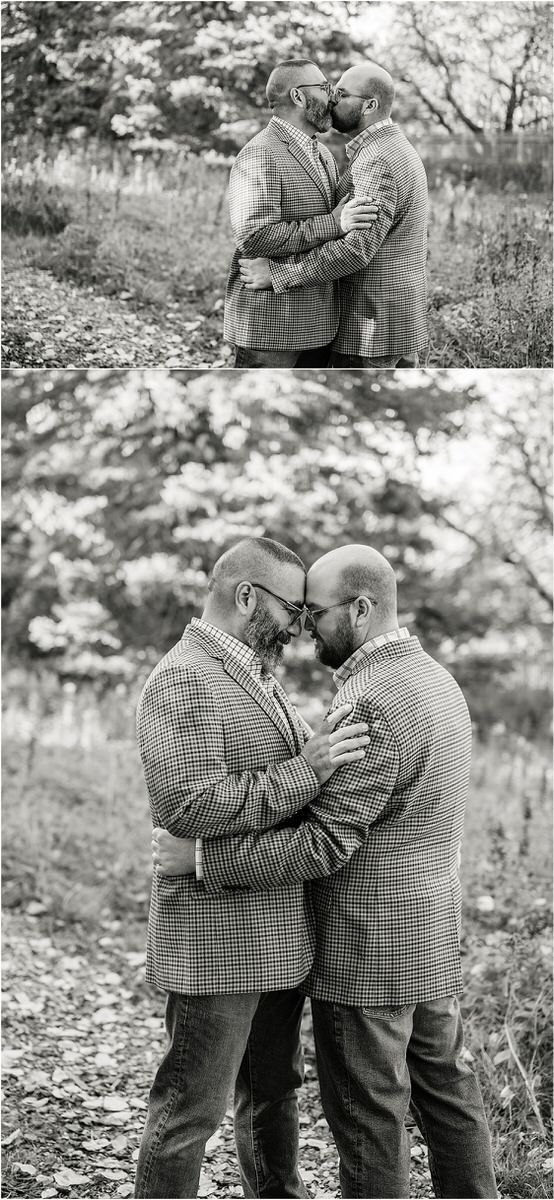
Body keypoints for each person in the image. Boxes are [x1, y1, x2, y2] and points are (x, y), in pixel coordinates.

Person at [155, 544, 498, 1200]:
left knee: (369, 1118)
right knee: (451, 1099)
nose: (304, 629)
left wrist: (202, 858)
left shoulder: (368, 702)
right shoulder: (434, 679)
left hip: (365, 949)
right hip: (429, 936)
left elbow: (323, 846)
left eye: (314, 612)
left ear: (362, 609)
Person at [134, 536, 370, 1199]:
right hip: (215, 946)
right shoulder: (185, 677)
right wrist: (309, 768)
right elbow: (188, 806)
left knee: (272, 1096)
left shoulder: (250, 670)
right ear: (246, 597)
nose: (301, 622)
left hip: (275, 940)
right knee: (189, 1114)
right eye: (293, 606)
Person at [240, 62, 429, 368]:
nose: (332, 99)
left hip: (371, 326)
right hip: (391, 323)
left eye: (341, 93)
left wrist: (277, 274)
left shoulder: (376, 159)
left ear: (370, 105)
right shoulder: (392, 148)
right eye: (330, 91)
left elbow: (355, 250)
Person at [224, 58, 379, 368]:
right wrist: (333, 223)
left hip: (320, 325)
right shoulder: (260, 154)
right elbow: (254, 237)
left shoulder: (321, 151)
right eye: (324, 88)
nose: (332, 96)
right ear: (298, 96)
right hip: (271, 325)